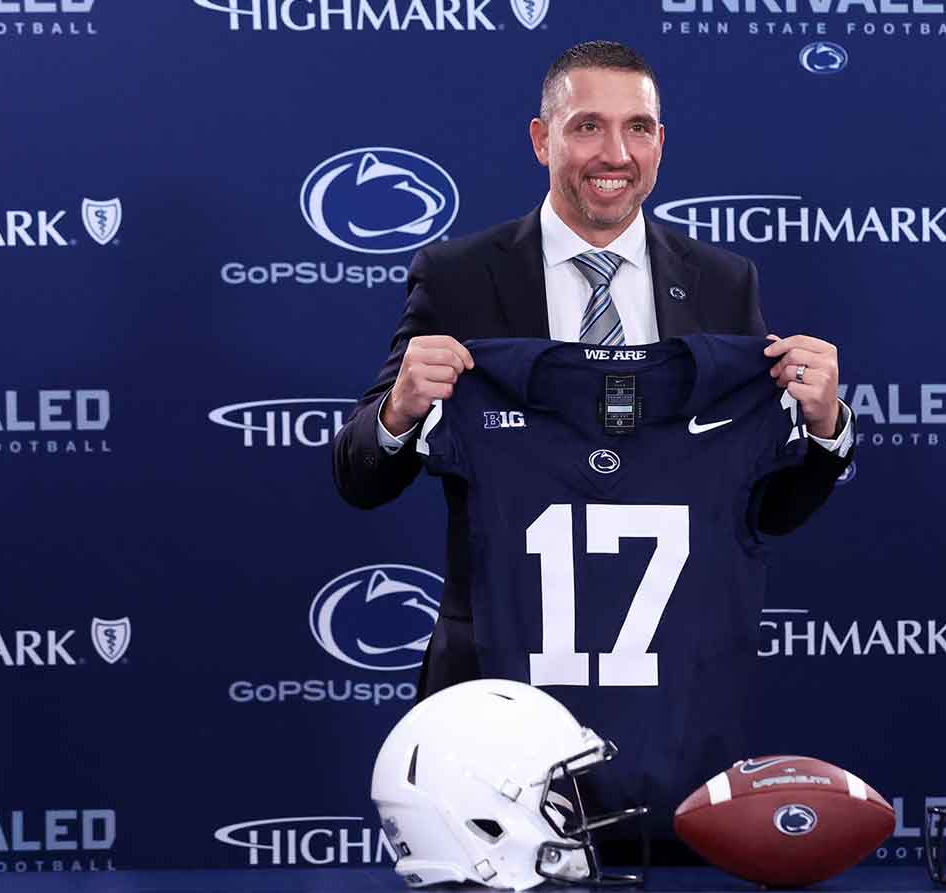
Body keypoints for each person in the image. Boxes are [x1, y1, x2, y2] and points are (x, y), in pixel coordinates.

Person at [332, 40, 854, 700]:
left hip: (670, 678)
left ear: (659, 143)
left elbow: (765, 511)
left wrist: (826, 429)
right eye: (587, 127)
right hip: (494, 674)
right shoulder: (459, 278)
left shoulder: (723, 285)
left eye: (636, 128)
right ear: (541, 139)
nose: (615, 155)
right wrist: (398, 413)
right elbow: (359, 480)